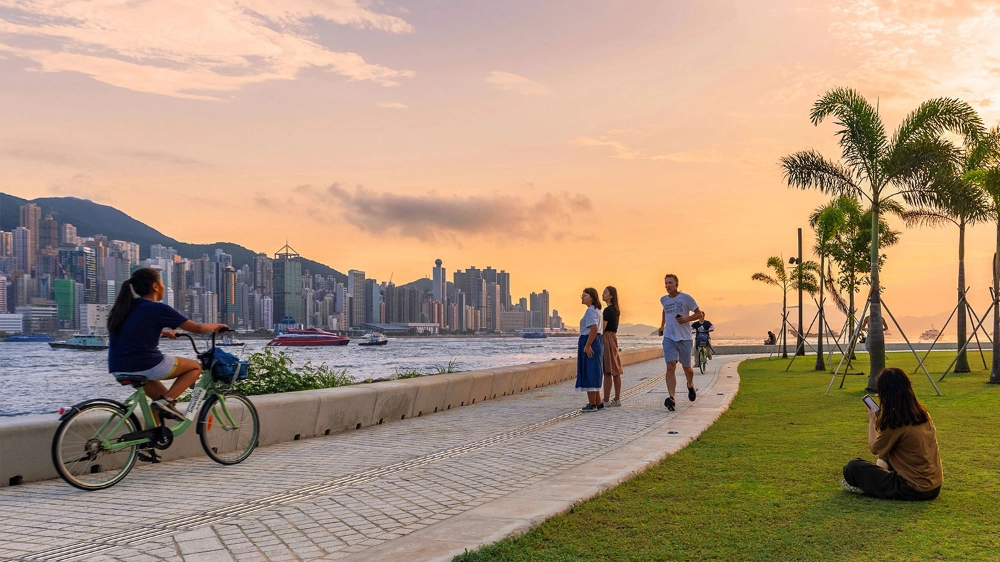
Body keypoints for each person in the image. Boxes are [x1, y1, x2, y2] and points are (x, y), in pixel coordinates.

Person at [107, 267, 227, 424]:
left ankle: (150, 440)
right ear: (155, 286)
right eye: (162, 282)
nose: (163, 286)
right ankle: (166, 402)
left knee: (160, 399)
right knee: (195, 368)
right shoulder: (157, 308)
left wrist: (164, 332)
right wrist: (217, 325)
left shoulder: (125, 307)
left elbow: (135, 330)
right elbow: (198, 329)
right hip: (144, 364)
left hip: (118, 367)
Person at [841, 367, 943, 501]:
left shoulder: (896, 422)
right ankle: (879, 474)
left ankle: (874, 480)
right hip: (934, 486)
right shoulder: (922, 414)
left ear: (885, 394)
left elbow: (874, 447)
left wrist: (872, 421)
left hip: (912, 489)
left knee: (852, 467)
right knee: (889, 451)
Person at [658, 274, 703, 411]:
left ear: (676, 284)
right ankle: (672, 398)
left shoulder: (686, 298)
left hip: (685, 338)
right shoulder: (663, 300)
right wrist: (662, 325)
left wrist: (686, 319)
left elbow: (699, 314)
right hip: (669, 338)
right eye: (666, 283)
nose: (668, 285)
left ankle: (690, 384)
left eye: (670, 283)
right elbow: (665, 311)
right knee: (670, 366)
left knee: (687, 368)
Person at [576, 287, 605, 413]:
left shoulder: (590, 311)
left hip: (590, 340)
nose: (582, 297)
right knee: (595, 370)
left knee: (590, 372)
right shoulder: (598, 310)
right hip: (597, 340)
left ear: (591, 297)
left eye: (585, 295)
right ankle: (598, 402)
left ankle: (592, 404)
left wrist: (587, 345)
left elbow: (593, 328)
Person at [601, 286, 623, 407]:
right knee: (616, 370)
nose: (602, 295)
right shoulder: (616, 310)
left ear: (611, 296)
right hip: (613, 338)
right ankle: (617, 398)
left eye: (605, 293)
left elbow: (602, 328)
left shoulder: (607, 310)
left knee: (608, 370)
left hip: (607, 338)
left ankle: (606, 400)